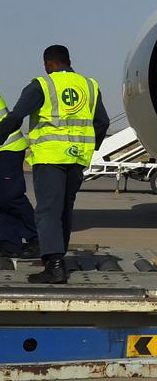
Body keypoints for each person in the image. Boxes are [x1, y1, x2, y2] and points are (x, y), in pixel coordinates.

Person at [0, 45, 109, 283]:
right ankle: (56, 260)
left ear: (48, 64)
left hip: (50, 158)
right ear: (69, 61)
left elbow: (16, 117)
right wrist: (89, 146)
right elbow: (102, 122)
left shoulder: (42, 85)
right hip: (77, 158)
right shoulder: (89, 85)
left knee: (48, 211)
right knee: (64, 211)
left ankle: (55, 267)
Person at [0, 91, 38, 259]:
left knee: (12, 197)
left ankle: (36, 238)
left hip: (8, 149)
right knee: (2, 200)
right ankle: (9, 244)